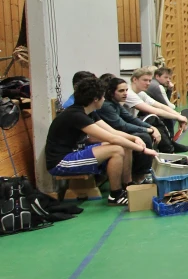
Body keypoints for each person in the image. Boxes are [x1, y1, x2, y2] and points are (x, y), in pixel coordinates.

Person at [44, 77, 158, 205]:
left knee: (125, 146)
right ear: (95, 99)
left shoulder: (89, 111)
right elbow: (111, 138)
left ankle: (128, 186)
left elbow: (112, 132)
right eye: (103, 97)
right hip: (61, 162)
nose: (104, 99)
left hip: (75, 152)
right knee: (116, 149)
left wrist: (135, 138)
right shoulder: (76, 115)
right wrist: (144, 149)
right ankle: (115, 195)